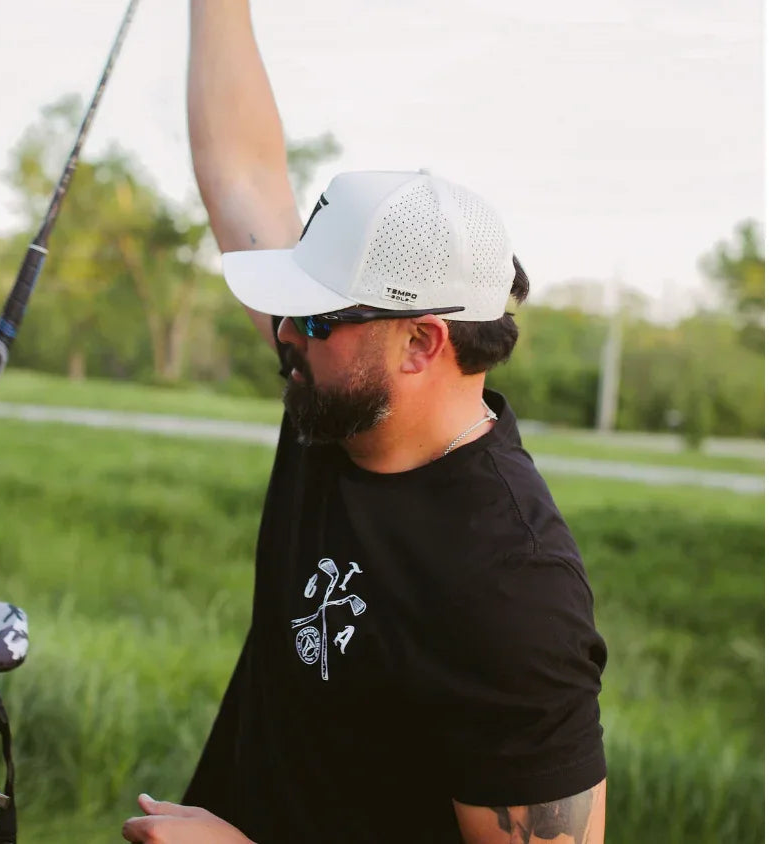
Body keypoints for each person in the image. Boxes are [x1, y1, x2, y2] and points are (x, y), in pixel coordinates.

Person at [122, 2, 607, 842]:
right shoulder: (340, 398)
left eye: (314, 319)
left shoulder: (512, 589)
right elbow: (240, 173)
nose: (282, 333)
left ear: (421, 341)